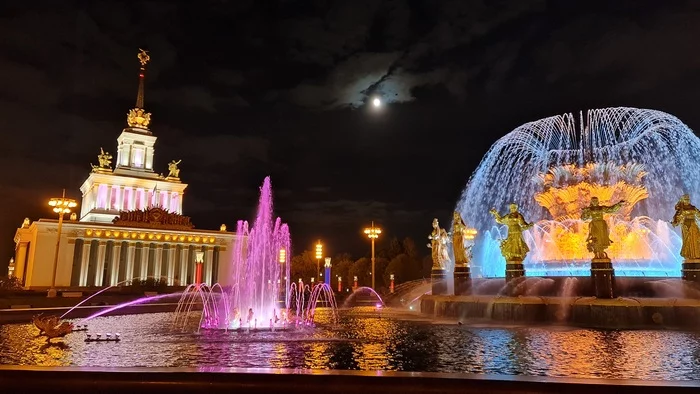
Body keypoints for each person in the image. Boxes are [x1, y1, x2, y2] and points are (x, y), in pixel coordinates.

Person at [671, 194, 700, 260]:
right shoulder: (681, 209)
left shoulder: (693, 208)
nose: (687, 201)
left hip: (694, 224)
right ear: (683, 201)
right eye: (685, 200)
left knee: (697, 238)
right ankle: (689, 255)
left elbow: (698, 215)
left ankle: (697, 254)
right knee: (688, 239)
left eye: (688, 199)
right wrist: (675, 222)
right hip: (686, 225)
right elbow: (677, 217)